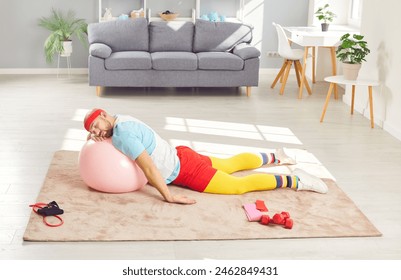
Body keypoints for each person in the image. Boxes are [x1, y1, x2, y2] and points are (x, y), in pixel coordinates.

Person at [83, 108, 328, 205]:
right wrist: (101, 135)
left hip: (184, 171)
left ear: (104, 115)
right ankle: (276, 156)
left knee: (237, 187)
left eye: (96, 126)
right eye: (92, 131)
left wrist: (167, 196)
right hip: (182, 154)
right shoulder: (122, 119)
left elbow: (147, 168)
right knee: (230, 164)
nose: (96, 132)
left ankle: (296, 180)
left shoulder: (121, 135)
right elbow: (120, 139)